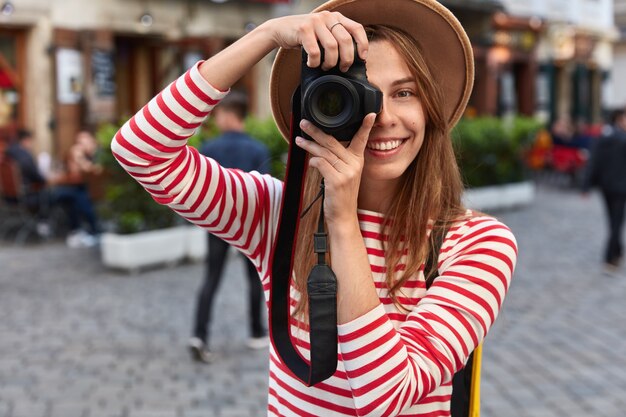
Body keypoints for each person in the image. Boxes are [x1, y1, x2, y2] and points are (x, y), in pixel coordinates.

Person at [112, 0, 517, 415]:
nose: (382, 117)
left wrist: (341, 223)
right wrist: (265, 36)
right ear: (320, 111)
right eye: (362, 96)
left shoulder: (477, 244)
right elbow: (140, 151)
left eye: (405, 92)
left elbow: (387, 397)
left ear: (429, 109)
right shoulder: (278, 218)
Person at [189, 92, 271, 363]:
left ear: (226, 115)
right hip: (251, 223)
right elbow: (264, 194)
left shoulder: (210, 148)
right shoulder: (258, 149)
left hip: (217, 223)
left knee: (211, 279)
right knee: (254, 279)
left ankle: (199, 334)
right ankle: (257, 332)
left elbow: (200, 189)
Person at [582, 107, 626, 274]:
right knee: (616, 222)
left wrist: (586, 185)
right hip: (620, 188)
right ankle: (610, 257)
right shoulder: (622, 138)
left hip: (607, 187)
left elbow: (593, 162)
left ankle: (618, 251)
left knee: (613, 220)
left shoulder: (602, 136)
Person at [51, 130, 102, 247]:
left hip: (93, 189)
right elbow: (73, 173)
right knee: (74, 198)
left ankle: (80, 230)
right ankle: (88, 230)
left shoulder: (98, 154)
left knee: (75, 197)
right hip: (76, 187)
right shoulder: (76, 153)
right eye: (79, 142)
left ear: (92, 141)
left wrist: (80, 159)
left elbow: (93, 170)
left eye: (84, 141)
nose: (81, 145)